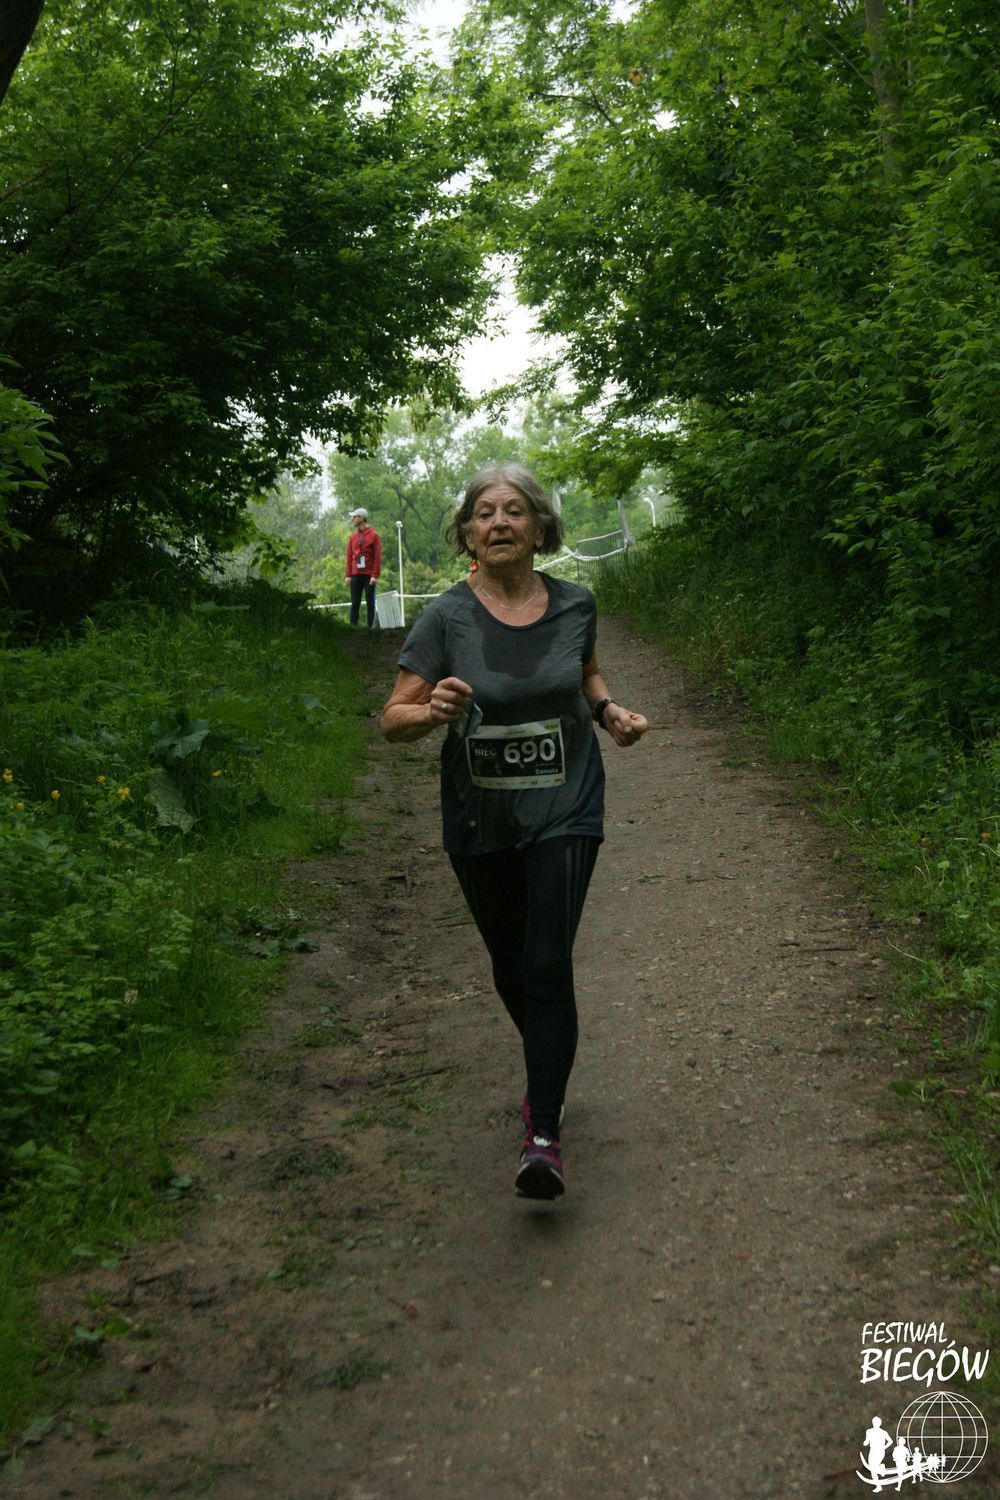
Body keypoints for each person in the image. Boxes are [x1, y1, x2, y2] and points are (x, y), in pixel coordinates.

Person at [379, 465, 648, 1200]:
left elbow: (585, 676)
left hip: (567, 803)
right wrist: (431, 710)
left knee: (544, 961)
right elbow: (392, 720)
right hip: (481, 815)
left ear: (540, 529)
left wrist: (609, 712)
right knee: (509, 963)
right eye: (485, 513)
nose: (500, 522)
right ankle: (548, 1065)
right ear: (468, 535)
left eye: (516, 511)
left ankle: (543, 1134)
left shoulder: (576, 604)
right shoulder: (445, 619)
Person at [345, 507, 382, 628]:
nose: (353, 519)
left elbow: (377, 556)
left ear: (361, 518)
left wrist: (375, 575)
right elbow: (349, 556)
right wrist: (348, 575)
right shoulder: (353, 536)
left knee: (370, 604)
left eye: (354, 517)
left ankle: (370, 630)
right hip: (355, 574)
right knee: (355, 604)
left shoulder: (374, 535)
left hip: (369, 576)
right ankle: (352, 628)